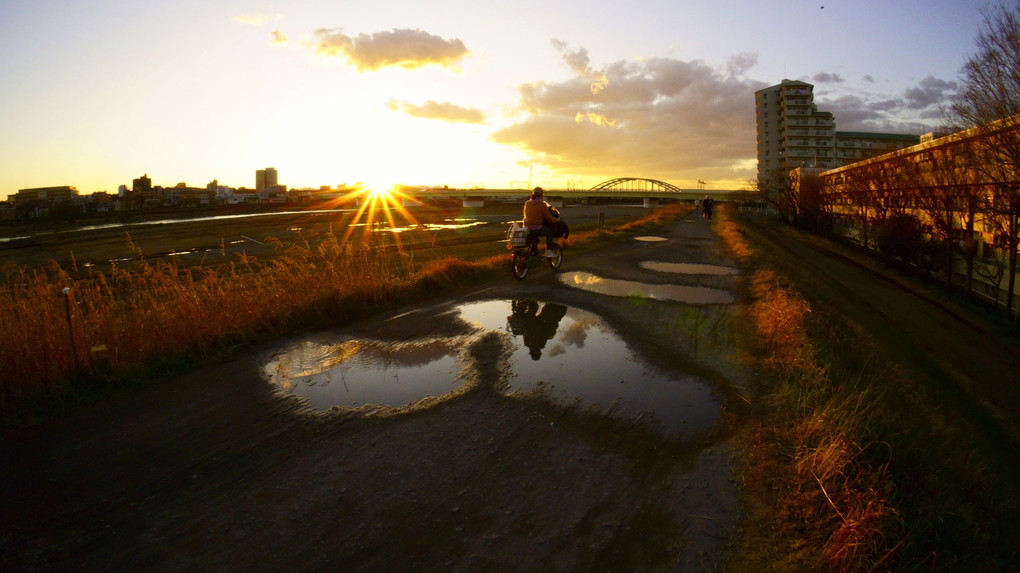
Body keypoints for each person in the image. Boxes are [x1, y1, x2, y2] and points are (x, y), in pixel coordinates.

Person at [522, 187, 560, 256]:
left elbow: (525, 215)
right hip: (537, 227)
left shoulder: (527, 203)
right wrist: (556, 220)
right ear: (541, 195)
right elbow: (548, 218)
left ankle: (534, 254)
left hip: (526, 227)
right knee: (549, 233)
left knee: (534, 240)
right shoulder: (542, 204)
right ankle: (549, 251)